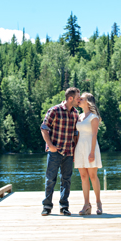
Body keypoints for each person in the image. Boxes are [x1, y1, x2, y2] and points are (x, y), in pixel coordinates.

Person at [40, 87, 81, 216]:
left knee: (66, 180)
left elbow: (75, 133)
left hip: (69, 152)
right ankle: (47, 206)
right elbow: (44, 128)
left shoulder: (75, 113)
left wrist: (75, 150)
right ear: (70, 98)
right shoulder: (54, 110)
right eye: (78, 98)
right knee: (50, 179)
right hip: (54, 152)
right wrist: (50, 145)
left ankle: (64, 206)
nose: (79, 100)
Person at [73, 92, 103, 215]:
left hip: (91, 147)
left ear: (88, 102)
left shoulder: (93, 117)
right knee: (83, 177)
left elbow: (94, 135)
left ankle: (98, 203)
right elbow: (78, 134)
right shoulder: (79, 116)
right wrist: (75, 151)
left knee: (92, 176)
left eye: (82, 99)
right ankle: (86, 205)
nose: (79, 100)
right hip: (80, 148)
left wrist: (92, 152)